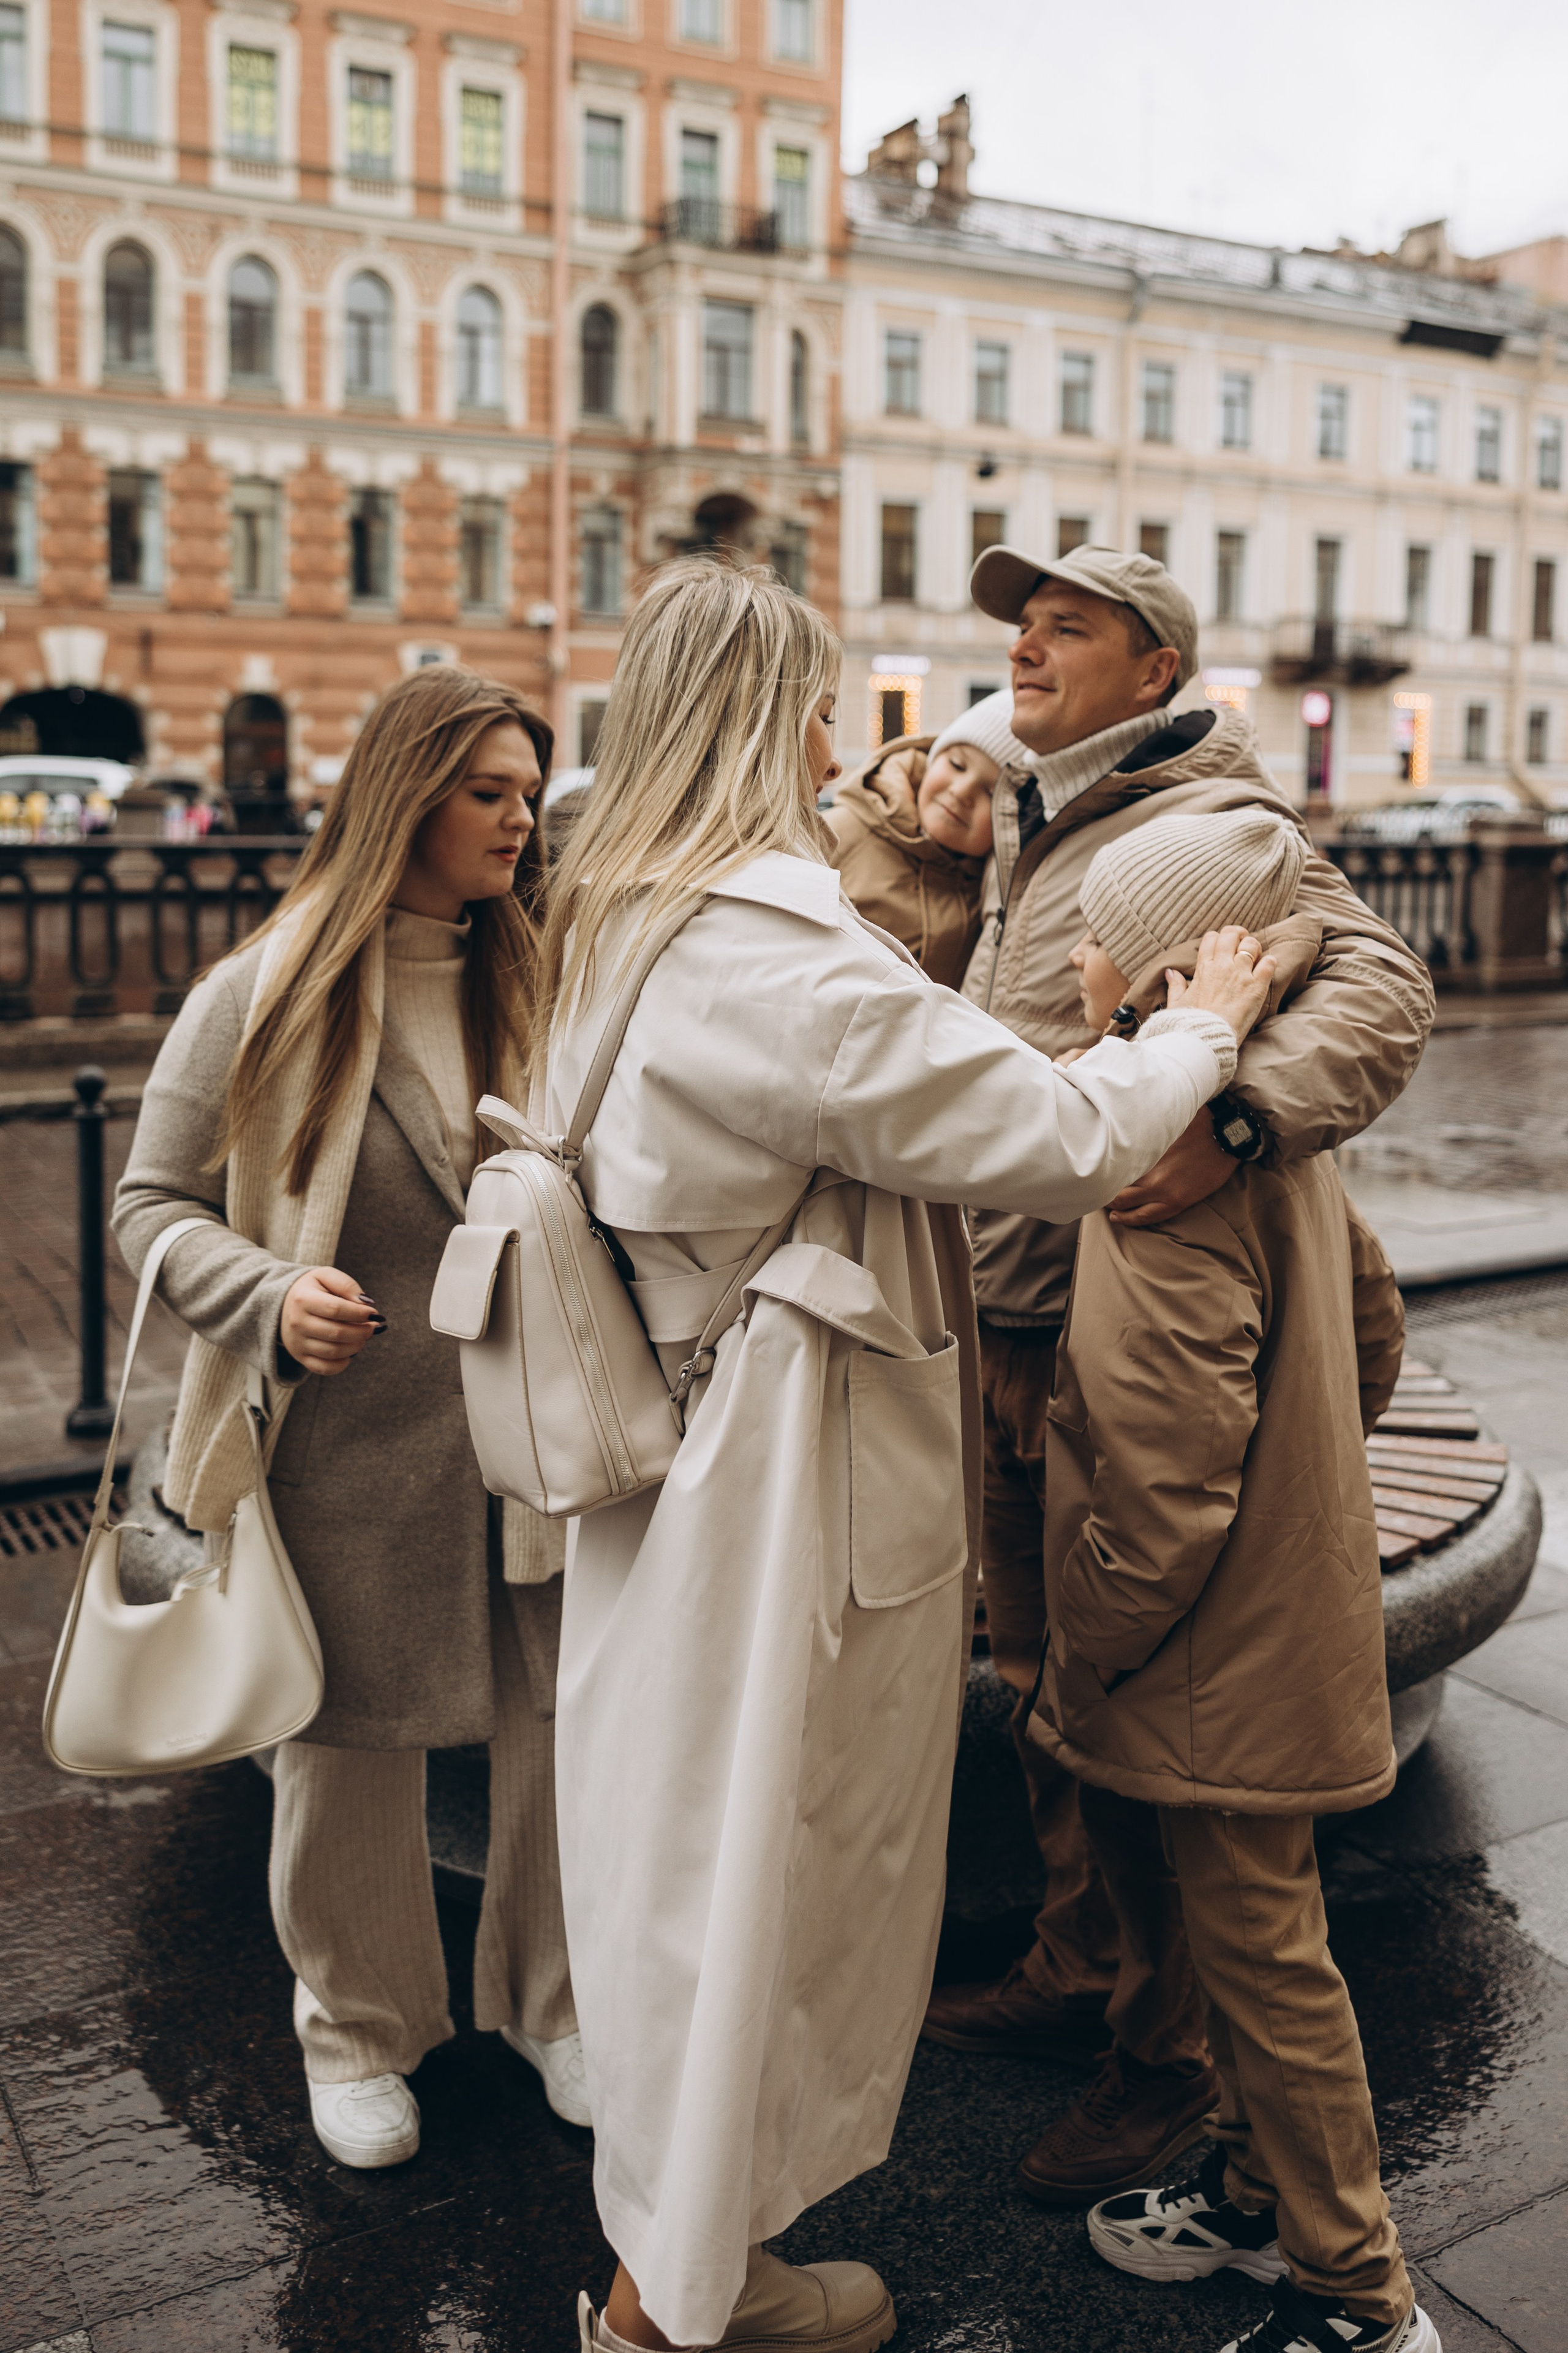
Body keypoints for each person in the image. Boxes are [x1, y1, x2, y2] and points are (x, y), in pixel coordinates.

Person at [539, 559, 1277, 2353]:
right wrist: (1200, 1020)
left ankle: (672, 2262)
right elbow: (1049, 1128)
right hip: (767, 1475)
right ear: (746, 723)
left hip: (665, 1439)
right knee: (758, 1873)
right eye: (803, 707)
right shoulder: (763, 949)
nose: (828, 741)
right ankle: (682, 2298)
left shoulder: (620, 911)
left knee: (665, 1861)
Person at [921, 542, 1436, 2204]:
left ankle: (1164, 2063)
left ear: (1158, 672)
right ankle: (1082, 1964)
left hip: (1105, 1333)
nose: (1027, 644)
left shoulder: (1221, 825)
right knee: (1041, 1694)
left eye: (1068, 627)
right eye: (1021, 622)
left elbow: (1382, 987)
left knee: (1121, 1701)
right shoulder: (1023, 798)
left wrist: (1229, 1117)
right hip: (998, 1324)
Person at [112, 667, 587, 2167]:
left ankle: (554, 2008)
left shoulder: (547, 978)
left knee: (561, 1740)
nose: (519, 819)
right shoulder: (262, 989)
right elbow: (150, 1204)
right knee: (341, 1751)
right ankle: (358, 2028)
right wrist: (260, 1290)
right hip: (343, 1447)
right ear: (405, 796)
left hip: (533, 1439)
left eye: (528, 791)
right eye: (488, 792)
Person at [1027, 808, 1436, 2353]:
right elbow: (1373, 1318)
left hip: (1205, 1651)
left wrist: (1084, 1652)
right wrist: (1305, 1470)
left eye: (1093, 933)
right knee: (1258, 1932)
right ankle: (1260, 2194)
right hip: (1282, 1612)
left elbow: (1159, 1483)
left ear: (1144, 984)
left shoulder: (1149, 1179)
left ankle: (1356, 2289)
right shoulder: (1265, 1139)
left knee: (1263, 1961)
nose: (1068, 950)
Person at [821, 690, 1028, 986]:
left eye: (991, 793)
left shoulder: (995, 883)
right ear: (932, 759)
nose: (961, 791)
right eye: (957, 765)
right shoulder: (839, 833)